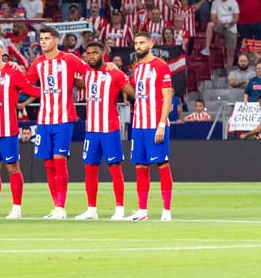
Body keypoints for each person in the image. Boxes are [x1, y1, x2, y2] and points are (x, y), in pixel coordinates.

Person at [23, 25, 90, 219]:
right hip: (43, 120)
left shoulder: (68, 59)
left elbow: (89, 72)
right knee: (48, 163)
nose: (43, 42)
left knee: (59, 161)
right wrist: (40, 92)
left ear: (55, 40)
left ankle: (61, 207)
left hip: (63, 119)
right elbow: (26, 83)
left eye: (46, 39)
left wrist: (106, 68)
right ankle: (56, 206)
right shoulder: (38, 63)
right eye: (41, 39)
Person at [0, 38, 39, 219]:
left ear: (2, 51)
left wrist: (54, 91)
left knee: (13, 167)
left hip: (7, 129)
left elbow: (30, 89)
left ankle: (16, 208)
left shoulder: (12, 72)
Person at [74, 40, 134, 221]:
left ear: (103, 53)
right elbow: (75, 78)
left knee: (115, 167)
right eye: (88, 53)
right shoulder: (86, 72)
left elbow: (133, 92)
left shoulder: (113, 73)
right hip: (91, 129)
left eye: (95, 53)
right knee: (90, 168)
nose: (91, 56)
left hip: (109, 129)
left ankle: (120, 209)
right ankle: (91, 209)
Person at [128, 31, 175, 221]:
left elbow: (167, 97)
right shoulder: (137, 67)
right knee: (140, 165)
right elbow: (134, 92)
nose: (138, 46)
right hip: (138, 124)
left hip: (155, 124)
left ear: (150, 44)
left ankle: (166, 210)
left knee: (162, 163)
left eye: (142, 43)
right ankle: (142, 211)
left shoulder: (160, 66)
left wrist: (162, 124)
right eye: (136, 43)